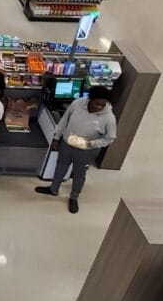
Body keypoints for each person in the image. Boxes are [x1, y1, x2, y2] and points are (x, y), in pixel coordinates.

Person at [35, 85, 117, 214]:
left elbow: (109, 138)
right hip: (67, 144)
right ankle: (53, 189)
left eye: (102, 104)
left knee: (79, 175)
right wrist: (56, 138)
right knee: (60, 166)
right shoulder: (77, 103)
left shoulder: (109, 118)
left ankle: (74, 197)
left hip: (86, 150)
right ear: (90, 99)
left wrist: (91, 144)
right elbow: (64, 121)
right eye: (97, 104)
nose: (99, 107)